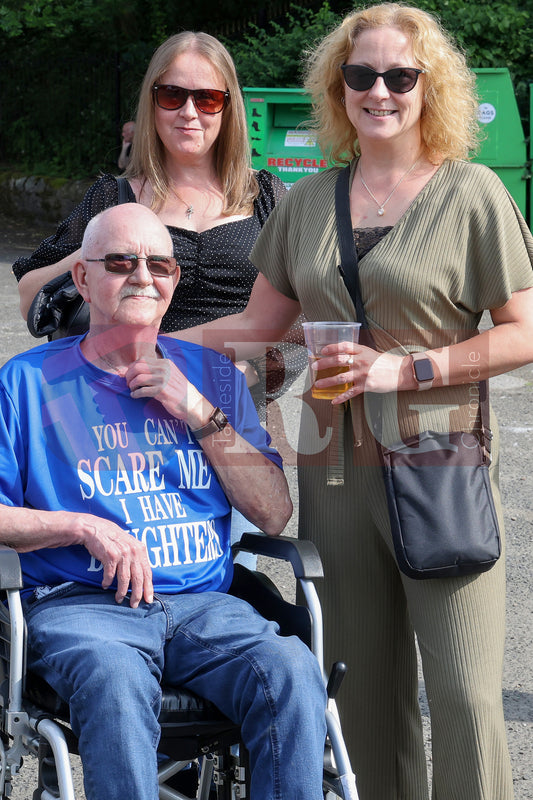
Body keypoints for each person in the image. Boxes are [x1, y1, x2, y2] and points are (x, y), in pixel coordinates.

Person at [171, 4, 533, 799]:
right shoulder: (306, 202)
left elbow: (521, 332)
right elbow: (261, 326)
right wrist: (136, 346)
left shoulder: (470, 194)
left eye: (399, 76)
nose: (379, 91)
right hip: (331, 468)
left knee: (468, 699)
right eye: (360, 74)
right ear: (336, 88)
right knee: (361, 693)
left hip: (441, 462)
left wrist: (403, 371)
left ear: (428, 86)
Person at [0, 203, 326, 800]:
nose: (143, 276)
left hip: (205, 604)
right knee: (115, 678)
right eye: (121, 262)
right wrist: (81, 527)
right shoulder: (25, 381)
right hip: (83, 605)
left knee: (291, 672)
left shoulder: (214, 375)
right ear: (81, 279)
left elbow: (274, 513)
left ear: (175, 281)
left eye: (159, 265)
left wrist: (197, 409)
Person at [12, 30, 300, 554]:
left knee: (225, 568)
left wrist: (253, 370)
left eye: (208, 98)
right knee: (127, 553)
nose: (189, 112)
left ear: (229, 107)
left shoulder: (267, 199)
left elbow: (299, 323)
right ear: (151, 103)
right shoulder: (114, 195)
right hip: (118, 412)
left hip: (230, 404)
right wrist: (107, 245)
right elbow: (31, 292)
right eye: (173, 96)